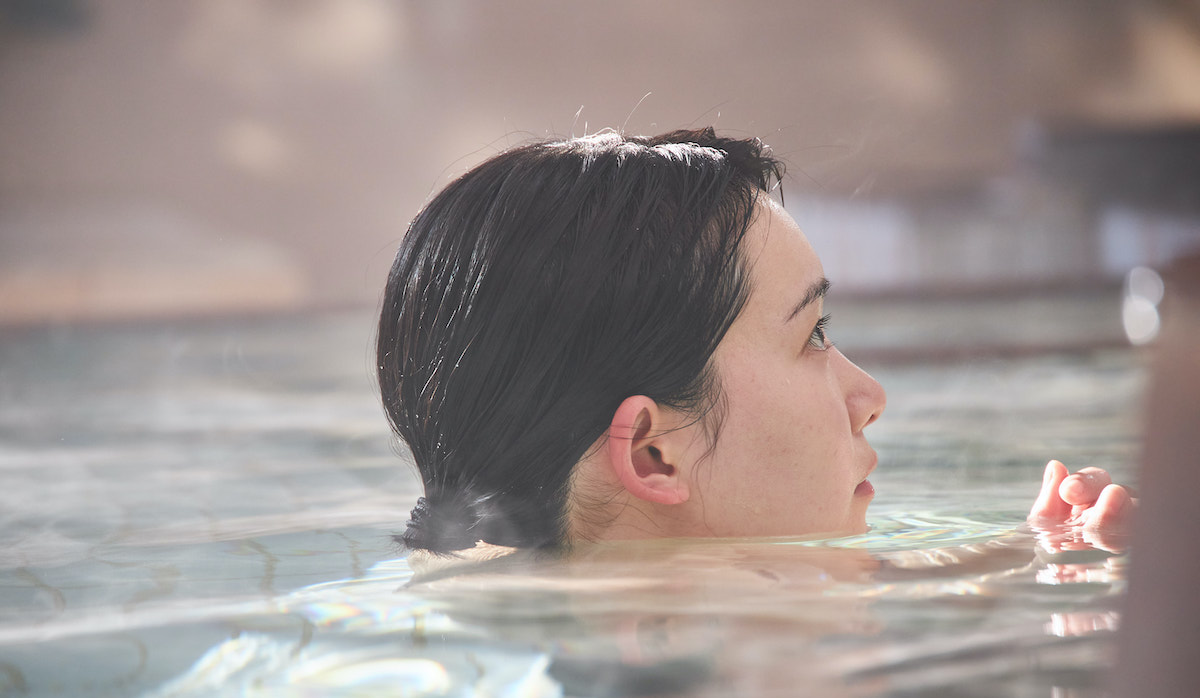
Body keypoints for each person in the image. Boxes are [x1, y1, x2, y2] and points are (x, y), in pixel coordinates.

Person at [376, 128, 1132, 555]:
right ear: (651, 452)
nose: (869, 397)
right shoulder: (739, 653)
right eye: (813, 336)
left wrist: (1036, 553)